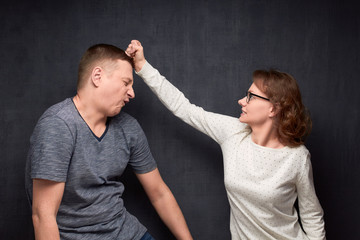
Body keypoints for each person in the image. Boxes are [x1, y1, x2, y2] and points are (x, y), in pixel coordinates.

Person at [126, 40, 326, 240]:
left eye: (250, 97)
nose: (241, 101)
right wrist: (142, 66)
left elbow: (311, 214)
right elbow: (184, 108)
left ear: (273, 108)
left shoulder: (297, 157)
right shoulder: (233, 133)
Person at [25, 43, 193, 240]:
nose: (132, 93)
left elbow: (159, 193)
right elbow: (43, 216)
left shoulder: (128, 128)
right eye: (126, 82)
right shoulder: (58, 125)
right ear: (97, 76)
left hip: (126, 233)